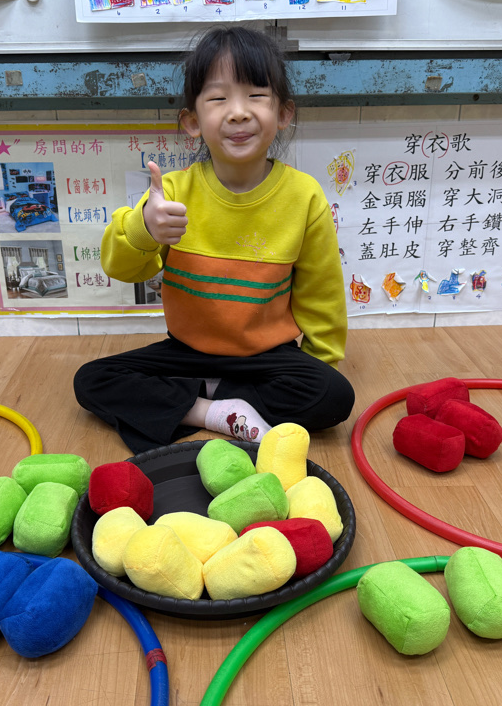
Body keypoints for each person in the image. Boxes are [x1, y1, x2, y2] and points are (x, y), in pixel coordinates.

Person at [74, 26, 354, 454]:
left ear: (283, 114)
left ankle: (196, 399)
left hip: (267, 357)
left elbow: (322, 296)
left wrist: (319, 372)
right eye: (218, 98)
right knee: (92, 380)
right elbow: (120, 267)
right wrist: (145, 228)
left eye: (256, 95)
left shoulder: (304, 196)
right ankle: (216, 412)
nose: (238, 112)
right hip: (187, 353)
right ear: (192, 121)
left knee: (335, 395)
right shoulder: (171, 192)